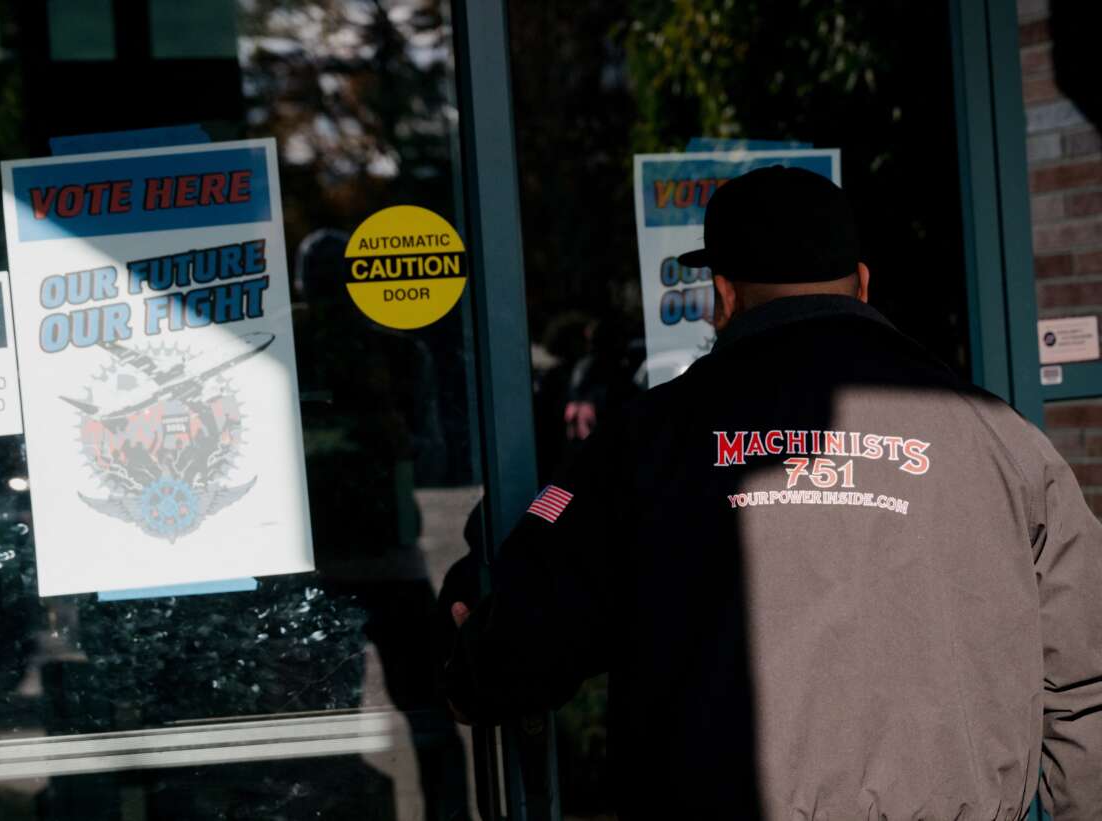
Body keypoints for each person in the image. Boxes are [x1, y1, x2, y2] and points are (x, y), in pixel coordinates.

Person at [438, 166, 1102, 820]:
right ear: (863, 283)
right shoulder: (1006, 443)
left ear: (721, 296)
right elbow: (1085, 681)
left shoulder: (645, 440)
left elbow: (536, 626)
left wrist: (474, 665)